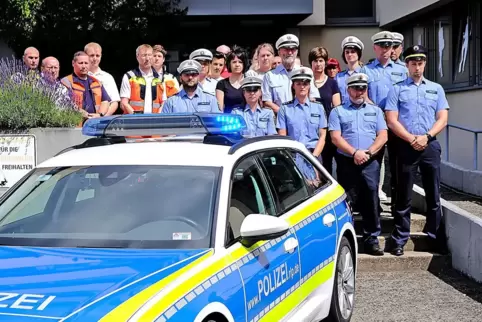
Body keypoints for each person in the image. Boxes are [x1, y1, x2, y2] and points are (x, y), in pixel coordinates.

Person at [385, 45, 449, 256]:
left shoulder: (436, 89)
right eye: (413, 63)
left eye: (420, 63)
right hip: (406, 145)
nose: (417, 67)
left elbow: (443, 118)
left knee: (433, 194)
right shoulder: (397, 89)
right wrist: (412, 139)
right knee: (404, 195)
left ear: (425, 64)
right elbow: (392, 120)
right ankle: (400, 239)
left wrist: (427, 137)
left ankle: (434, 238)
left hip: (430, 145)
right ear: (407, 65)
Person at [329, 73, 388, 256]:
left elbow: (383, 135)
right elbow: (335, 137)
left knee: (371, 197)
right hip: (347, 160)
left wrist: (368, 153)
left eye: (362, 88)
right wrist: (354, 153)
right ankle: (347, 240)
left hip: (369, 160)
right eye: (355, 88)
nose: (359, 92)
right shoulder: (338, 111)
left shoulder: (376, 111)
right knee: (348, 200)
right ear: (348, 90)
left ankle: (371, 240)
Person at [277, 67, 327, 161]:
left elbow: (322, 135)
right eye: (298, 84)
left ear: (309, 86)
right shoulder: (285, 108)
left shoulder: (318, 107)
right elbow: (282, 136)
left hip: (314, 154)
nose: (302, 87)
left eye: (305, 84)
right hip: (294, 156)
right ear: (293, 86)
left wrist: (314, 156)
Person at [262, 34, 320, 113]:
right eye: (286, 49)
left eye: (293, 49)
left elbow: (313, 98)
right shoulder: (270, 76)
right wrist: (285, 114)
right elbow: (267, 102)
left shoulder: (307, 72)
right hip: (280, 121)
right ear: (279, 52)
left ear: (297, 52)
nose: (290, 52)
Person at [336, 36, 364, 105]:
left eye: (353, 52)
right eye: (347, 52)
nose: (350, 54)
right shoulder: (338, 77)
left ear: (358, 53)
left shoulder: (365, 73)